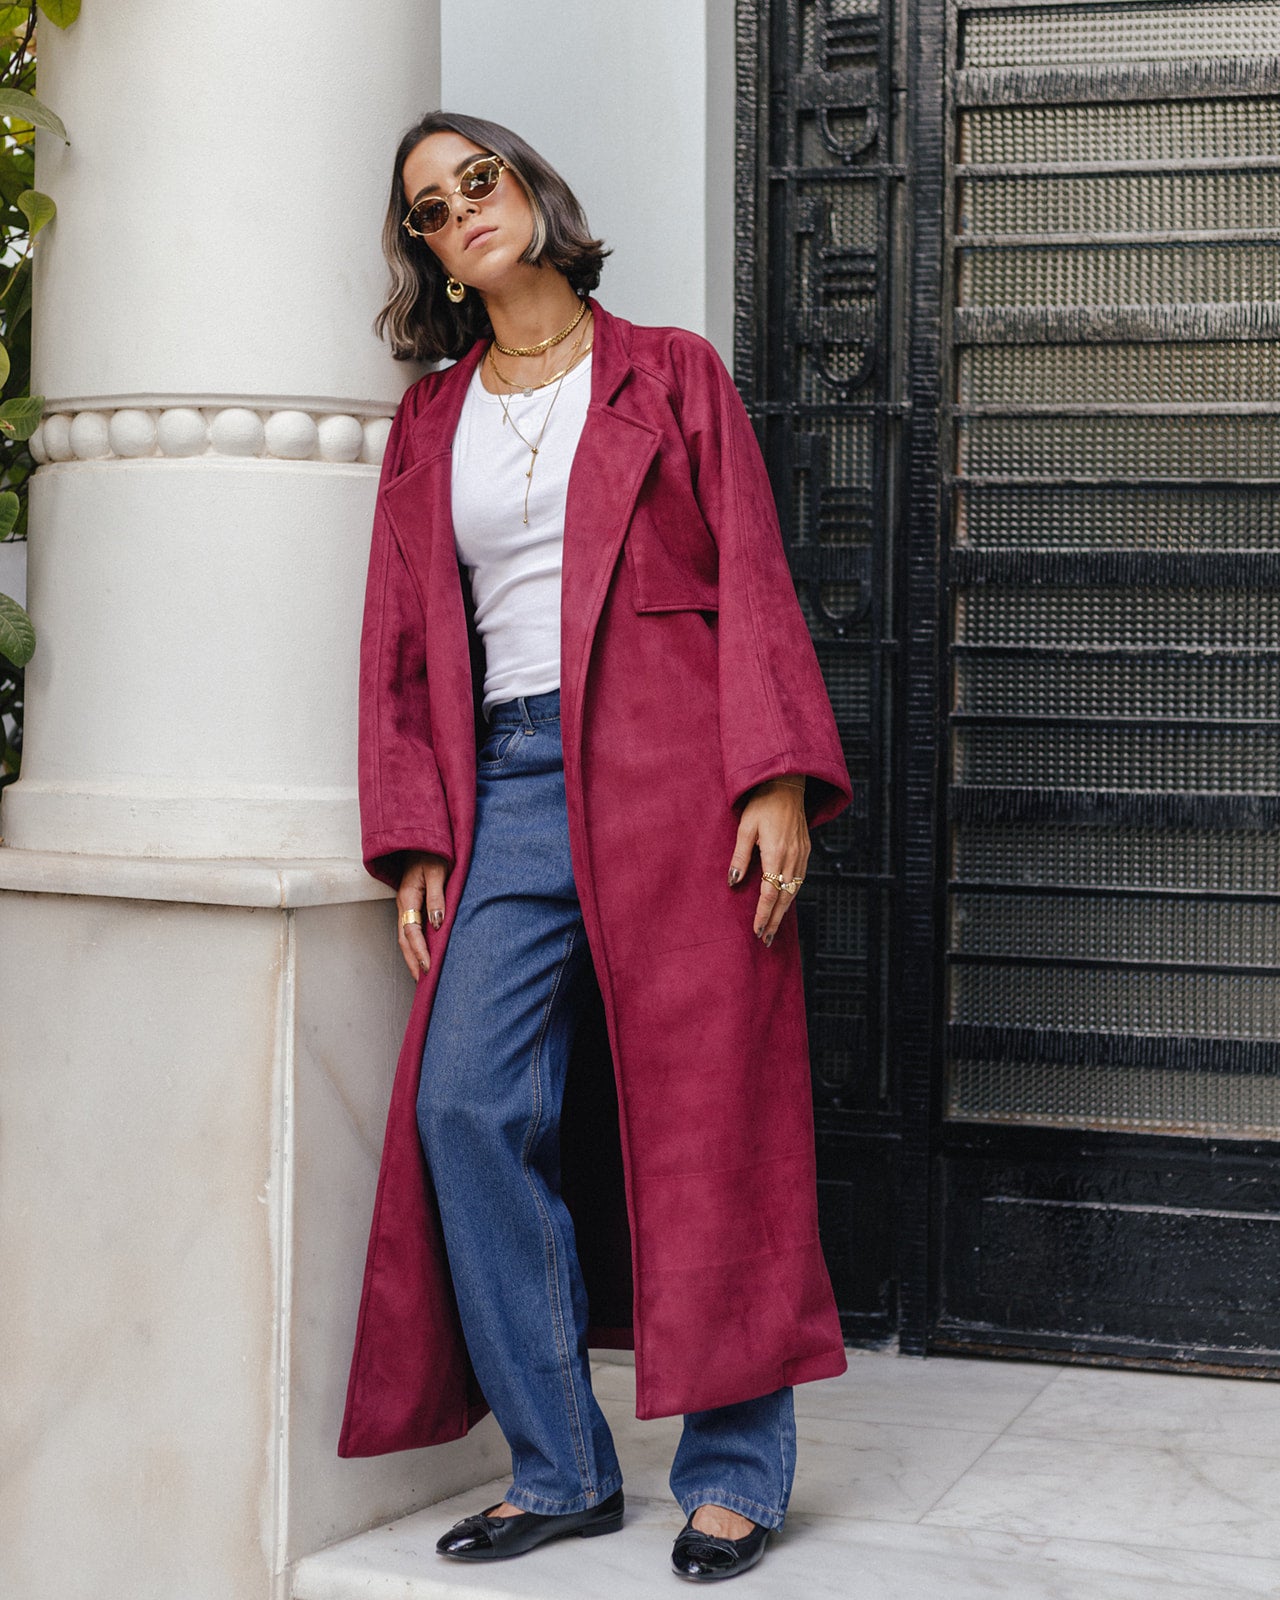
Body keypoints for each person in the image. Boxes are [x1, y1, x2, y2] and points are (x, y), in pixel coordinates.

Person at [338, 110, 854, 1584]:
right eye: (431, 211)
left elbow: (752, 569)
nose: (461, 217)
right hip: (503, 785)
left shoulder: (671, 371)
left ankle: (735, 1475)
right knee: (464, 1111)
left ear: (533, 193)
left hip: (675, 770)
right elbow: (398, 646)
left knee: (712, 1115)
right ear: (428, 254)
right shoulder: (427, 422)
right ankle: (561, 1468)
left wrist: (772, 776)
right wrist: (419, 831)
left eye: (477, 183)